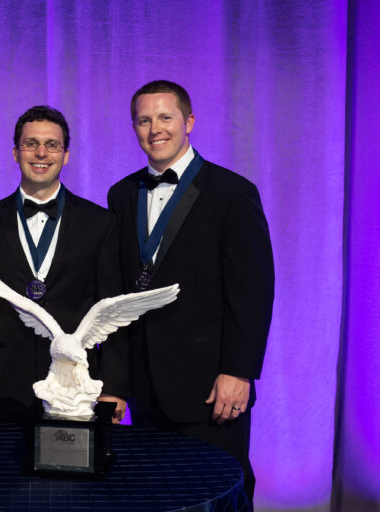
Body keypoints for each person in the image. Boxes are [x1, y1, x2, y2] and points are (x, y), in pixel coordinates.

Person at [107, 80, 274, 503]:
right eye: (144, 120)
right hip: (146, 389)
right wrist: (115, 383)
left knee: (216, 496)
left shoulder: (233, 193)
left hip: (212, 388)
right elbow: (118, 295)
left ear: (189, 122)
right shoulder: (121, 194)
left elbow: (252, 291)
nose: (154, 128)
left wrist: (238, 372)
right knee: (152, 497)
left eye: (165, 117)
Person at [0, 105, 128, 428]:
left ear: (66, 155)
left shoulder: (100, 224)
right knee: (7, 477)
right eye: (30, 143)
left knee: (73, 474)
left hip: (76, 386)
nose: (41, 153)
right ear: (15, 153)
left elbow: (113, 309)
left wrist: (114, 386)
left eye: (52, 145)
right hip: (2, 385)